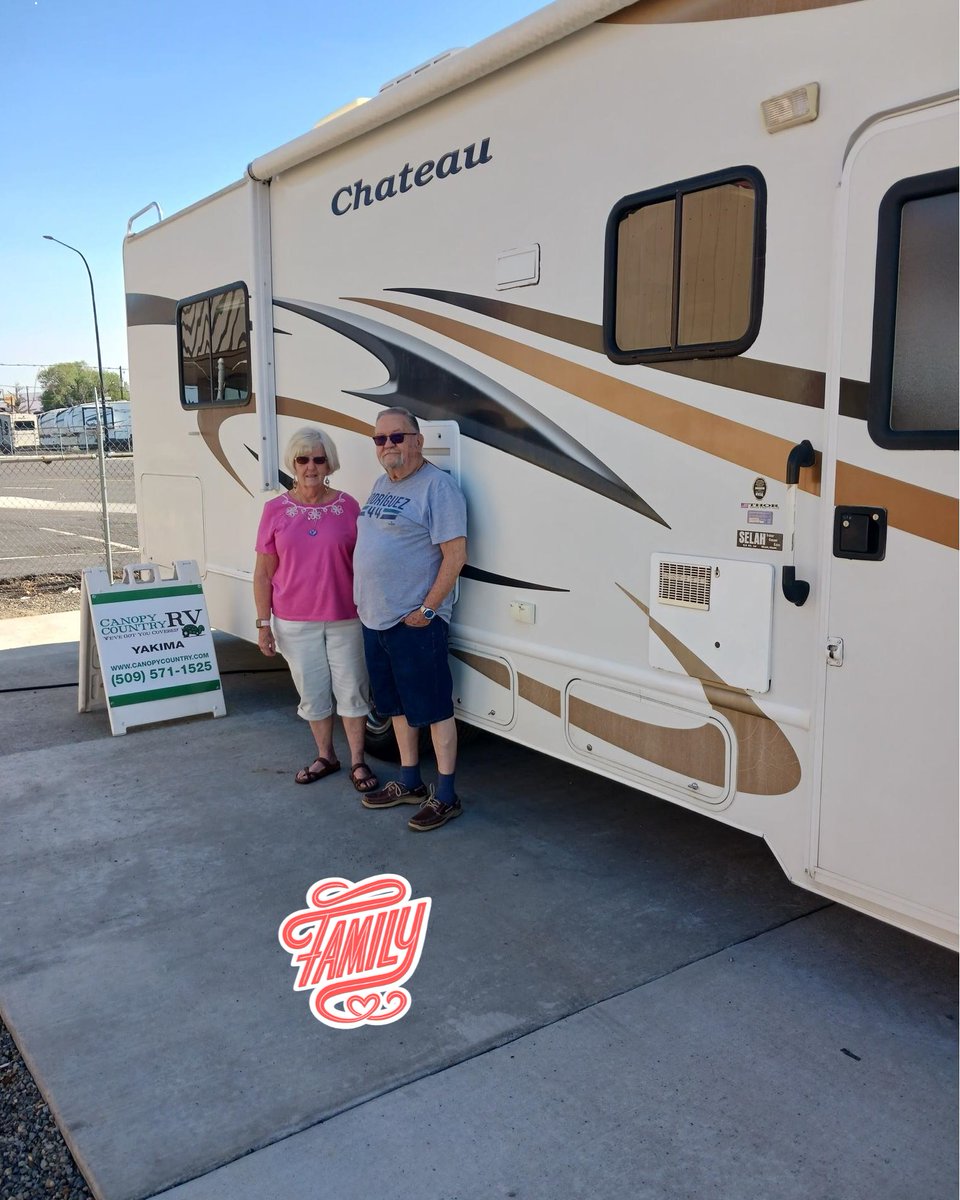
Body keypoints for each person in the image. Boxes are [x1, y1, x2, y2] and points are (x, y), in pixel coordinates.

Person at [353, 407, 468, 832]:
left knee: (435, 711)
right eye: (379, 439)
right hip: (376, 620)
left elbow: (455, 557)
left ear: (418, 441)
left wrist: (427, 610)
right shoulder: (382, 483)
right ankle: (408, 782)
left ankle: (447, 795)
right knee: (396, 708)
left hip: (414, 622)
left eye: (396, 437)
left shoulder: (438, 488)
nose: (387, 446)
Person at [254, 426, 379, 794]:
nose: (311, 466)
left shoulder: (349, 507)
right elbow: (263, 572)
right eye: (303, 458)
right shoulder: (275, 510)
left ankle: (357, 760)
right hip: (294, 621)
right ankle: (326, 755)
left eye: (318, 459)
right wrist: (264, 623)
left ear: (329, 464)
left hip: (345, 618)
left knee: (353, 691)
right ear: (293, 463)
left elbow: (367, 562)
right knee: (312, 693)